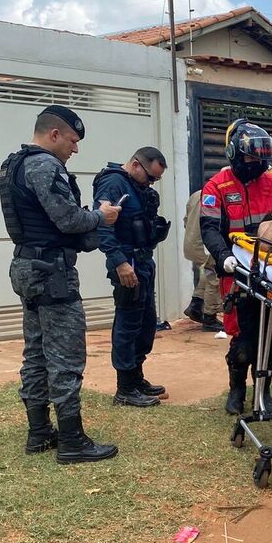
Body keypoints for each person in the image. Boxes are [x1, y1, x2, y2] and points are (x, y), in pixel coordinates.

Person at [0, 105, 121, 464]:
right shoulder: (44, 165)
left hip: (27, 265)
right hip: (51, 271)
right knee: (65, 356)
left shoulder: (14, 164)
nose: (75, 149)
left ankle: (39, 433)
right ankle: (72, 440)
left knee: (35, 352)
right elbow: (68, 219)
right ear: (54, 134)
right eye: (73, 140)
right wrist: (102, 216)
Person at [200, 119, 272, 416]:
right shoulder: (217, 186)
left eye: (263, 159)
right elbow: (210, 228)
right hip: (235, 272)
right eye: (252, 157)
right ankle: (237, 390)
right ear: (234, 153)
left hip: (268, 271)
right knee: (243, 342)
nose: (258, 164)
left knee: (267, 336)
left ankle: (263, 394)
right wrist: (224, 255)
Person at [92, 148, 171, 407]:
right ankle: (124, 388)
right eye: (150, 178)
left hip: (143, 261)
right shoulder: (113, 183)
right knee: (128, 324)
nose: (151, 184)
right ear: (136, 165)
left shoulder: (136, 188)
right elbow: (103, 226)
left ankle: (136, 379)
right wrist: (120, 263)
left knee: (146, 322)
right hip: (128, 262)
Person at [183, 189, 225, 332]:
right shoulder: (218, 195)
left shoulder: (196, 194)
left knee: (207, 273)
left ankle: (196, 305)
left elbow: (186, 220)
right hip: (204, 245)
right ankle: (209, 317)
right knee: (214, 275)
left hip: (191, 243)